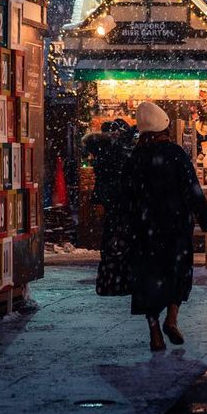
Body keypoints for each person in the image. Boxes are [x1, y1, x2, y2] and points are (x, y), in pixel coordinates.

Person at [124, 101, 207, 351]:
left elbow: (126, 196)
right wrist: (206, 218)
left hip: (145, 230)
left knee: (148, 279)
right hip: (176, 227)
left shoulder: (135, 158)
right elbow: (193, 190)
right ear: (165, 127)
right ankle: (172, 317)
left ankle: (154, 331)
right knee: (178, 273)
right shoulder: (176, 154)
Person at [84, 119, 136, 297]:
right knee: (119, 241)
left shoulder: (105, 153)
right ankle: (119, 281)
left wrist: (100, 201)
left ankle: (111, 282)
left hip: (115, 204)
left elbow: (104, 182)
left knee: (112, 241)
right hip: (122, 203)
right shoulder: (117, 152)